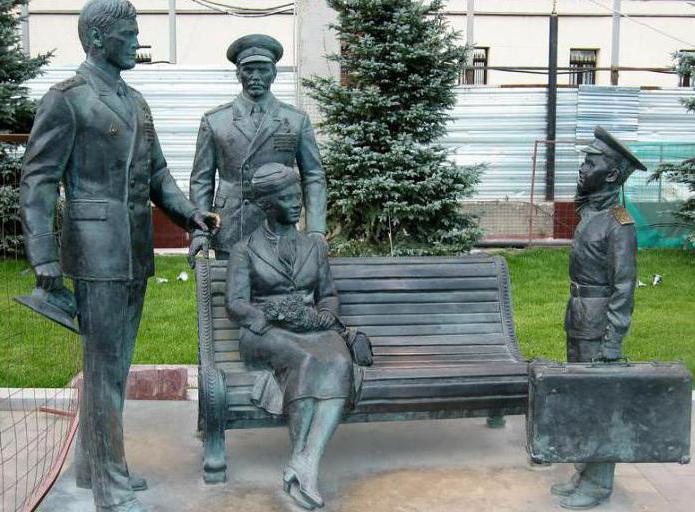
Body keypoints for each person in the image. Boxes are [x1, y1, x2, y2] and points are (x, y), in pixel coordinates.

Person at [19, 1, 218, 511]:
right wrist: (43, 257)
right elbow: (37, 182)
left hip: (132, 252)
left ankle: (91, 467)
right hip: (93, 253)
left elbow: (158, 178)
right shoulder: (67, 100)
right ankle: (110, 485)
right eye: (129, 32)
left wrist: (190, 215)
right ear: (99, 39)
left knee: (115, 366)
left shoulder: (136, 103)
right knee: (104, 369)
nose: (136, 40)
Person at [226, 163, 361, 510]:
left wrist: (323, 317)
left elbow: (328, 294)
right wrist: (271, 315)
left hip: (313, 327)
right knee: (307, 359)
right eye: (287, 198)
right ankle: (303, 464)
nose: (296, 203)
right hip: (266, 333)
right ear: (268, 204)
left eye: (297, 196)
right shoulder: (245, 249)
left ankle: (305, 462)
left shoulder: (313, 246)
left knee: (340, 360)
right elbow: (236, 304)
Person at [551, 126, 646, 510]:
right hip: (579, 316)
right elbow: (583, 198)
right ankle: (585, 471)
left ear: (610, 174)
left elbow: (624, 286)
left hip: (598, 323)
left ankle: (600, 482)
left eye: (591, 161)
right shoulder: (591, 212)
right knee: (581, 398)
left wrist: (613, 339)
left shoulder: (618, 224)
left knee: (599, 403)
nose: (582, 165)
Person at [188, 34, 327, 264]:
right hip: (231, 225)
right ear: (237, 73)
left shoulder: (294, 120)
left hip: (278, 224)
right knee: (229, 293)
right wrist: (200, 231)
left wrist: (316, 229)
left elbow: (313, 175)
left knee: (281, 294)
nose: (255, 77)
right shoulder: (215, 121)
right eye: (248, 70)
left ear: (274, 74)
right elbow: (201, 180)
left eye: (262, 70)